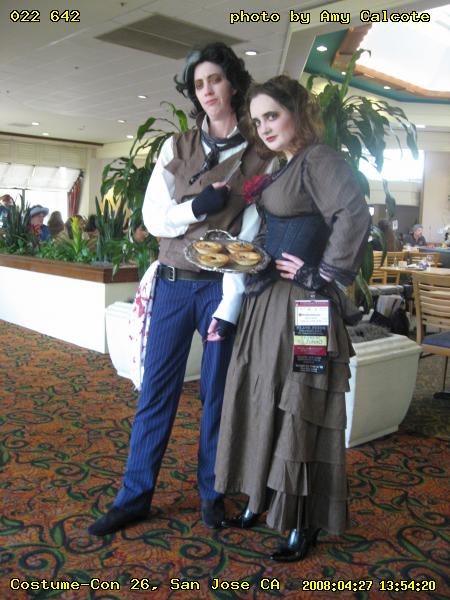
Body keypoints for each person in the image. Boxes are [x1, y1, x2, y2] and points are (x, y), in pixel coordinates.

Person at [88, 42, 268, 537]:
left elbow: (250, 240)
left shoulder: (259, 157)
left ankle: (212, 493)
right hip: (171, 285)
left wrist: (230, 304)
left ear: (233, 83)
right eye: (199, 83)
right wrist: (196, 208)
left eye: (215, 79)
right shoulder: (177, 147)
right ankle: (134, 497)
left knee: (216, 396)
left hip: (218, 290)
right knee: (156, 393)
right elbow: (153, 218)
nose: (207, 90)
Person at [214, 76, 371, 562]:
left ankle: (303, 519)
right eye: (257, 120)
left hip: (309, 308)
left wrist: (322, 274)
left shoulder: (319, 159)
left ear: (297, 112)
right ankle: (260, 498)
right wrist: (251, 258)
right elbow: (277, 228)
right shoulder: (283, 165)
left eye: (273, 115)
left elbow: (353, 213)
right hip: (268, 302)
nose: (264, 127)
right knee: (263, 396)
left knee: (303, 404)